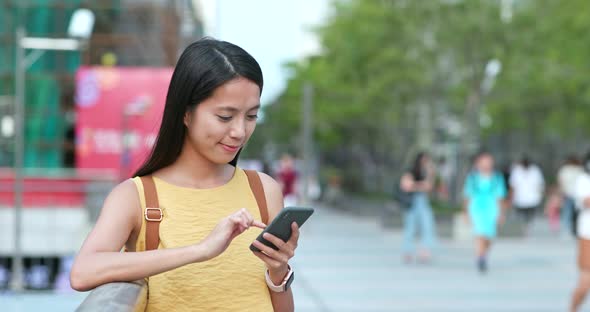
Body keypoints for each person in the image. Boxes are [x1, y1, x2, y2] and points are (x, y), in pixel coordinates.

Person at [70, 38, 299, 312]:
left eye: (251, 116)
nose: (240, 131)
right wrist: (201, 250)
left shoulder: (264, 191)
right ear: (186, 113)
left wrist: (278, 272)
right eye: (225, 117)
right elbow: (83, 272)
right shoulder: (137, 196)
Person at [463, 151, 506, 273]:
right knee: (480, 234)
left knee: (489, 237)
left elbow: (500, 197)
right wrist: (466, 213)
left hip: (492, 208)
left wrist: (501, 213)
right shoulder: (472, 178)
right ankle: (480, 258)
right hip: (476, 208)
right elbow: (468, 196)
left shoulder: (497, 178)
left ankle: (483, 254)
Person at [400, 152, 437, 263]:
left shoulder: (427, 173)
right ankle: (407, 251)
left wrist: (430, 174)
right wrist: (421, 185)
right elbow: (406, 186)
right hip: (412, 201)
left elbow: (429, 187)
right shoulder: (411, 171)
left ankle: (424, 251)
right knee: (410, 227)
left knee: (428, 226)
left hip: (423, 201)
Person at [570, 152, 590, 312]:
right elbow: (586, 200)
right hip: (587, 236)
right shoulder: (584, 179)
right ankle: (573, 308)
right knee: (586, 281)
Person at [509, 156, 545, 235]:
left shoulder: (535, 170)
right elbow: (513, 185)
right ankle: (523, 228)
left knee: (530, 215)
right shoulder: (517, 170)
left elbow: (539, 184)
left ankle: (528, 228)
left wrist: (540, 194)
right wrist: (511, 196)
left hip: (532, 198)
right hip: (520, 198)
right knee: (521, 214)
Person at [558, 156, 584, 238]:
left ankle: (567, 230)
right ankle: (575, 230)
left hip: (569, 193)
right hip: (576, 194)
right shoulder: (580, 169)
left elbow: (561, 182)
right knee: (575, 213)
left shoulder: (565, 170)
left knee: (568, 213)